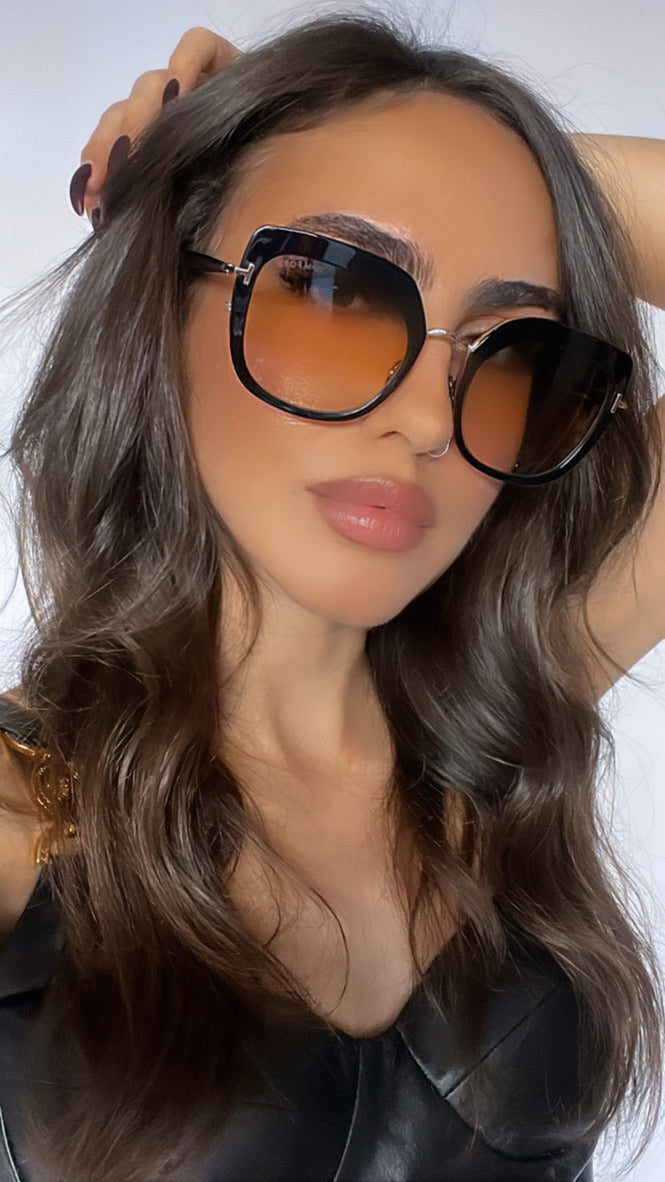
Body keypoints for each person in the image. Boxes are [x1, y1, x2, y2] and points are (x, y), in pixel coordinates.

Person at [0, 14, 664, 1182]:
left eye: (508, 347)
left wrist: (491, 172)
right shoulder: (18, 823)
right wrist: (229, 151)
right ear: (161, 301)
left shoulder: (502, 733)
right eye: (331, 289)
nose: (424, 419)